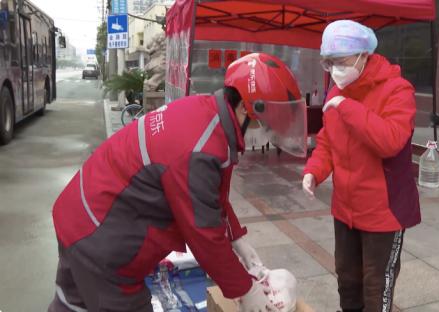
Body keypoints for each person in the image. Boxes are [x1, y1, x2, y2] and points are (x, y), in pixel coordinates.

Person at [48, 52, 306, 312]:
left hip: (79, 215)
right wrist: (245, 290)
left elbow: (208, 197)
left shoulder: (205, 113)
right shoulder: (202, 148)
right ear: (243, 110)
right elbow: (204, 234)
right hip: (101, 238)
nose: (264, 133)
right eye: (263, 123)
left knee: (71, 304)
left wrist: (237, 238)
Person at [302, 20, 420, 312]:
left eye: (340, 62)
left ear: (363, 55)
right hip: (345, 208)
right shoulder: (337, 92)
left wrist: (347, 107)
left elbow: (390, 140)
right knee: (347, 281)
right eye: (329, 64)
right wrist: (313, 171)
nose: (335, 71)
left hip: (384, 211)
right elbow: (327, 141)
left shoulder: (397, 90)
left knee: (376, 287)